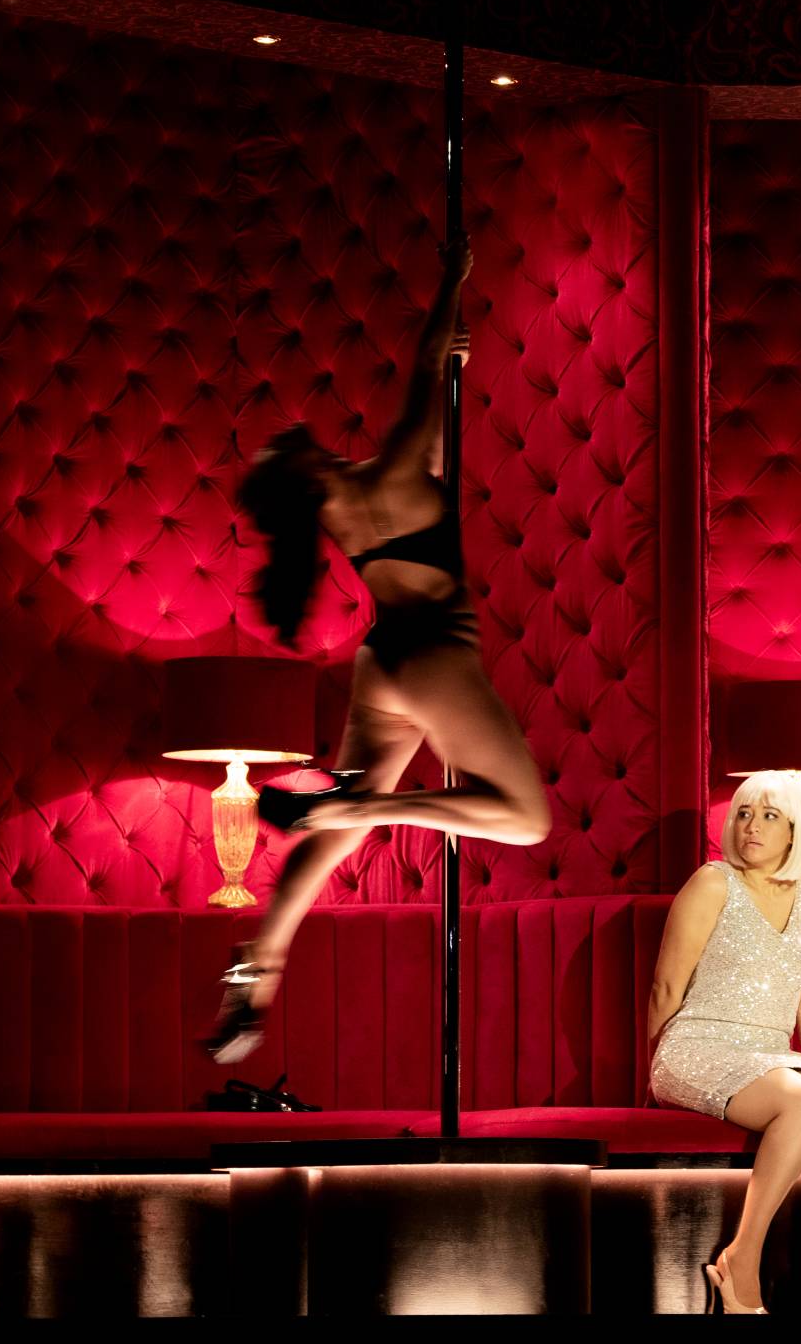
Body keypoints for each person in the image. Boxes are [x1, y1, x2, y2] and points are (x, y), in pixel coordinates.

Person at [204, 234, 551, 1064]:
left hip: (381, 660)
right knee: (524, 818)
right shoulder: (388, 474)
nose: (288, 429)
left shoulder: (335, 511)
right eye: (281, 444)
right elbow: (423, 374)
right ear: (302, 472)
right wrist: (454, 279)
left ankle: (259, 962)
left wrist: (447, 349)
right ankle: (367, 807)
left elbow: (433, 381)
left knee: (328, 838)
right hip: (431, 655)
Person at [648, 770, 801, 1313]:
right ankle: (741, 1258)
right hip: (695, 1048)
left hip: (770, 1055)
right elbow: (665, 987)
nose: (751, 826)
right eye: (744, 813)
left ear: (795, 830)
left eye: (769, 816)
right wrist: (652, 1075)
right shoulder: (713, 882)